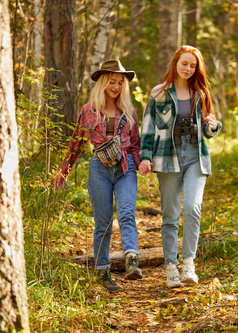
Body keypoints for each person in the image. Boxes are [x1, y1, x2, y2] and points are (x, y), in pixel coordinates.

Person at [55, 59, 142, 293]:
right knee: (102, 221)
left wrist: (143, 162)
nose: (116, 86)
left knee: (126, 212)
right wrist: (64, 170)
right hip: (99, 169)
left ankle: (132, 260)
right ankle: (103, 270)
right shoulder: (88, 110)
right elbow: (76, 143)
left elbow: (135, 144)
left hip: (126, 167)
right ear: (103, 82)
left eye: (120, 82)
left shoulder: (129, 111)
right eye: (112, 82)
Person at [139, 46, 223, 288]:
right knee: (170, 215)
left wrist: (213, 125)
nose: (188, 68)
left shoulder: (201, 92)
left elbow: (208, 131)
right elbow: (148, 128)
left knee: (192, 208)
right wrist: (145, 156)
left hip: (196, 156)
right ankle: (170, 268)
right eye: (184, 63)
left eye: (193, 65)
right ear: (175, 63)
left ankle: (189, 264)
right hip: (167, 157)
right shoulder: (159, 93)